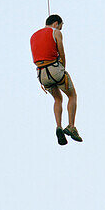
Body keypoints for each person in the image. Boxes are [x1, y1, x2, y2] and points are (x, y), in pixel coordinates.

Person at [30, 14, 82, 144]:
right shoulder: (56, 32)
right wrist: (63, 67)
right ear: (56, 23)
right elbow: (61, 52)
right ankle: (71, 126)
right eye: (61, 26)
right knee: (72, 96)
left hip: (42, 74)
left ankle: (58, 126)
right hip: (54, 69)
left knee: (58, 99)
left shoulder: (33, 36)